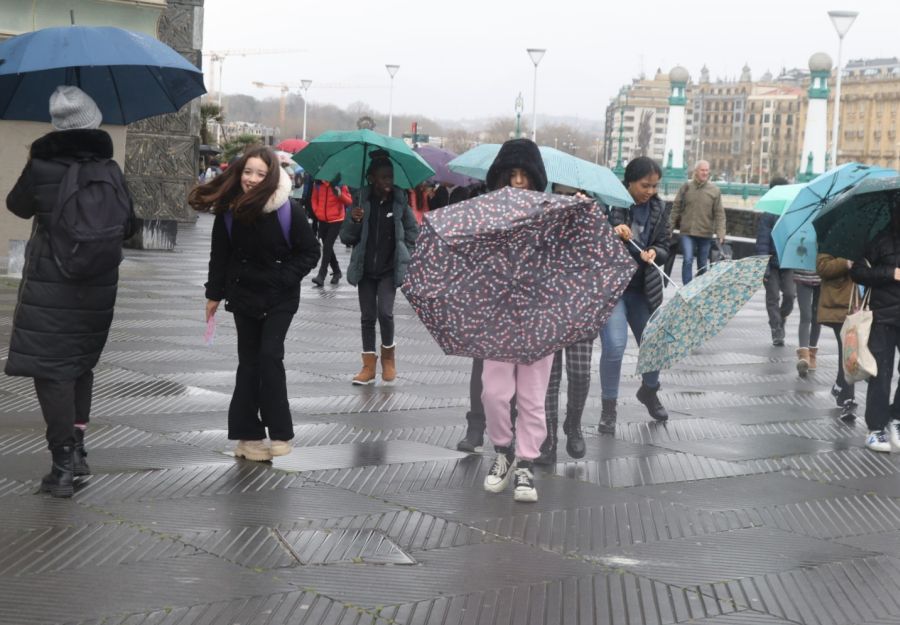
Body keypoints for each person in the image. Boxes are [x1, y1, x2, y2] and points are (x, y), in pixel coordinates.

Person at [5, 86, 135, 497]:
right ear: (93, 121)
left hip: (53, 285)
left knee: (52, 373)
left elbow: (17, 205)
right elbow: (129, 224)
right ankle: (78, 451)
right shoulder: (110, 167)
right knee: (80, 365)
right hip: (98, 285)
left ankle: (61, 467)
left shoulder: (44, 163)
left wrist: (33, 164)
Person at [190, 147, 320, 462]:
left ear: (271, 176)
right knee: (248, 364)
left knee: (269, 356)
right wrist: (213, 294)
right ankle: (247, 438)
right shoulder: (230, 210)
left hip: (280, 297)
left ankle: (280, 433)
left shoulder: (289, 210)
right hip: (244, 295)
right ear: (239, 172)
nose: (252, 179)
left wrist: (280, 277)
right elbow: (220, 255)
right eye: (248, 172)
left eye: (260, 173)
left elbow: (310, 253)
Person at [478, 138, 553, 503]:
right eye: (512, 174)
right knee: (493, 391)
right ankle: (503, 451)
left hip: (539, 315)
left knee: (532, 396)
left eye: (525, 175)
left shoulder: (552, 212)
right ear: (501, 176)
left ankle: (525, 463)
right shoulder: (485, 212)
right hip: (498, 312)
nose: (519, 181)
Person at [598, 156, 672, 433]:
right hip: (615, 290)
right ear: (629, 182)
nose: (650, 191)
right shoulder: (609, 204)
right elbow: (594, 241)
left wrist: (656, 253)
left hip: (644, 290)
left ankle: (649, 390)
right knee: (615, 347)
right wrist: (611, 231)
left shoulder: (660, 208)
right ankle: (608, 409)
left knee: (654, 344)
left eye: (654, 186)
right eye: (645, 185)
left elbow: (664, 245)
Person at [340, 151, 419, 385]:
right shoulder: (360, 202)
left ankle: (388, 358)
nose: (388, 182)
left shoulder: (399, 202)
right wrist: (354, 220)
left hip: (388, 269)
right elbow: (346, 238)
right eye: (383, 177)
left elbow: (412, 232)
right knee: (367, 317)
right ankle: (367, 366)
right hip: (365, 270)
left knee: (385, 313)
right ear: (372, 177)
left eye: (390, 177)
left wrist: (406, 254)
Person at [535, 183, 592, 465]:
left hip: (582, 306)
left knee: (580, 373)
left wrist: (587, 212)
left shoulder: (590, 212)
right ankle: (549, 438)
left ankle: (574, 424)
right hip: (549, 307)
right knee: (550, 378)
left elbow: (602, 253)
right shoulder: (542, 212)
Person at [849, 199, 900, 453]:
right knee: (880, 373)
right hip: (881, 317)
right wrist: (890, 273)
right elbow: (857, 273)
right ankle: (876, 427)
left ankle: (897, 418)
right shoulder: (879, 241)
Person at [816, 252, 858, 420]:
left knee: (848, 351)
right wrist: (846, 262)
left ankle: (841, 385)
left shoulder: (866, 239)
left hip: (860, 303)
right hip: (839, 305)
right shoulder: (831, 238)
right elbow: (822, 267)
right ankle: (849, 398)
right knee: (849, 351)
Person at [670, 160, 725, 284]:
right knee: (688, 259)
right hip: (687, 232)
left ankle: (699, 289)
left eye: (707, 170)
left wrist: (721, 233)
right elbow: (676, 208)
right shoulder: (686, 187)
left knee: (702, 265)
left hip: (705, 234)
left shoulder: (714, 190)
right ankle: (687, 288)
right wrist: (670, 228)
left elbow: (719, 214)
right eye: (702, 170)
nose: (705, 173)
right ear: (696, 171)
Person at [756, 176, 795, 346]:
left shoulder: (791, 213)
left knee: (789, 295)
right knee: (772, 297)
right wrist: (763, 267)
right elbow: (762, 242)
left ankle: (781, 317)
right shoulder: (767, 216)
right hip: (771, 263)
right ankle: (776, 328)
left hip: (787, 262)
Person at [309, 178, 352, 286]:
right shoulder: (318, 184)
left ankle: (321, 275)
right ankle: (337, 271)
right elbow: (314, 199)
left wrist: (339, 194)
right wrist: (317, 211)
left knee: (327, 246)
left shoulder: (340, 184)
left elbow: (349, 201)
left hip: (336, 220)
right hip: (322, 219)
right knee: (327, 247)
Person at [793, 268, 821, 377]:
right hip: (801, 276)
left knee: (817, 317)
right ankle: (804, 357)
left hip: (822, 277)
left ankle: (812, 354)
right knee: (805, 316)